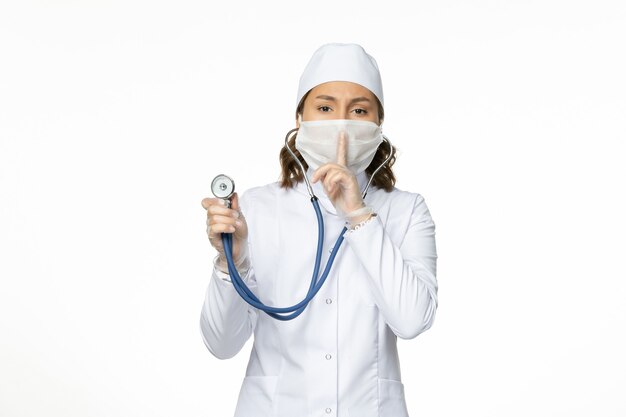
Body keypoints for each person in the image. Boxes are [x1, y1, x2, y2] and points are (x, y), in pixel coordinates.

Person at [199, 42, 438, 417]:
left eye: (359, 110)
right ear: (300, 119)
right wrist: (233, 260)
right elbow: (221, 343)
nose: (341, 123)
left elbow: (412, 320)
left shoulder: (406, 211)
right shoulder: (257, 209)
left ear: (378, 126)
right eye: (325, 108)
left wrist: (359, 215)